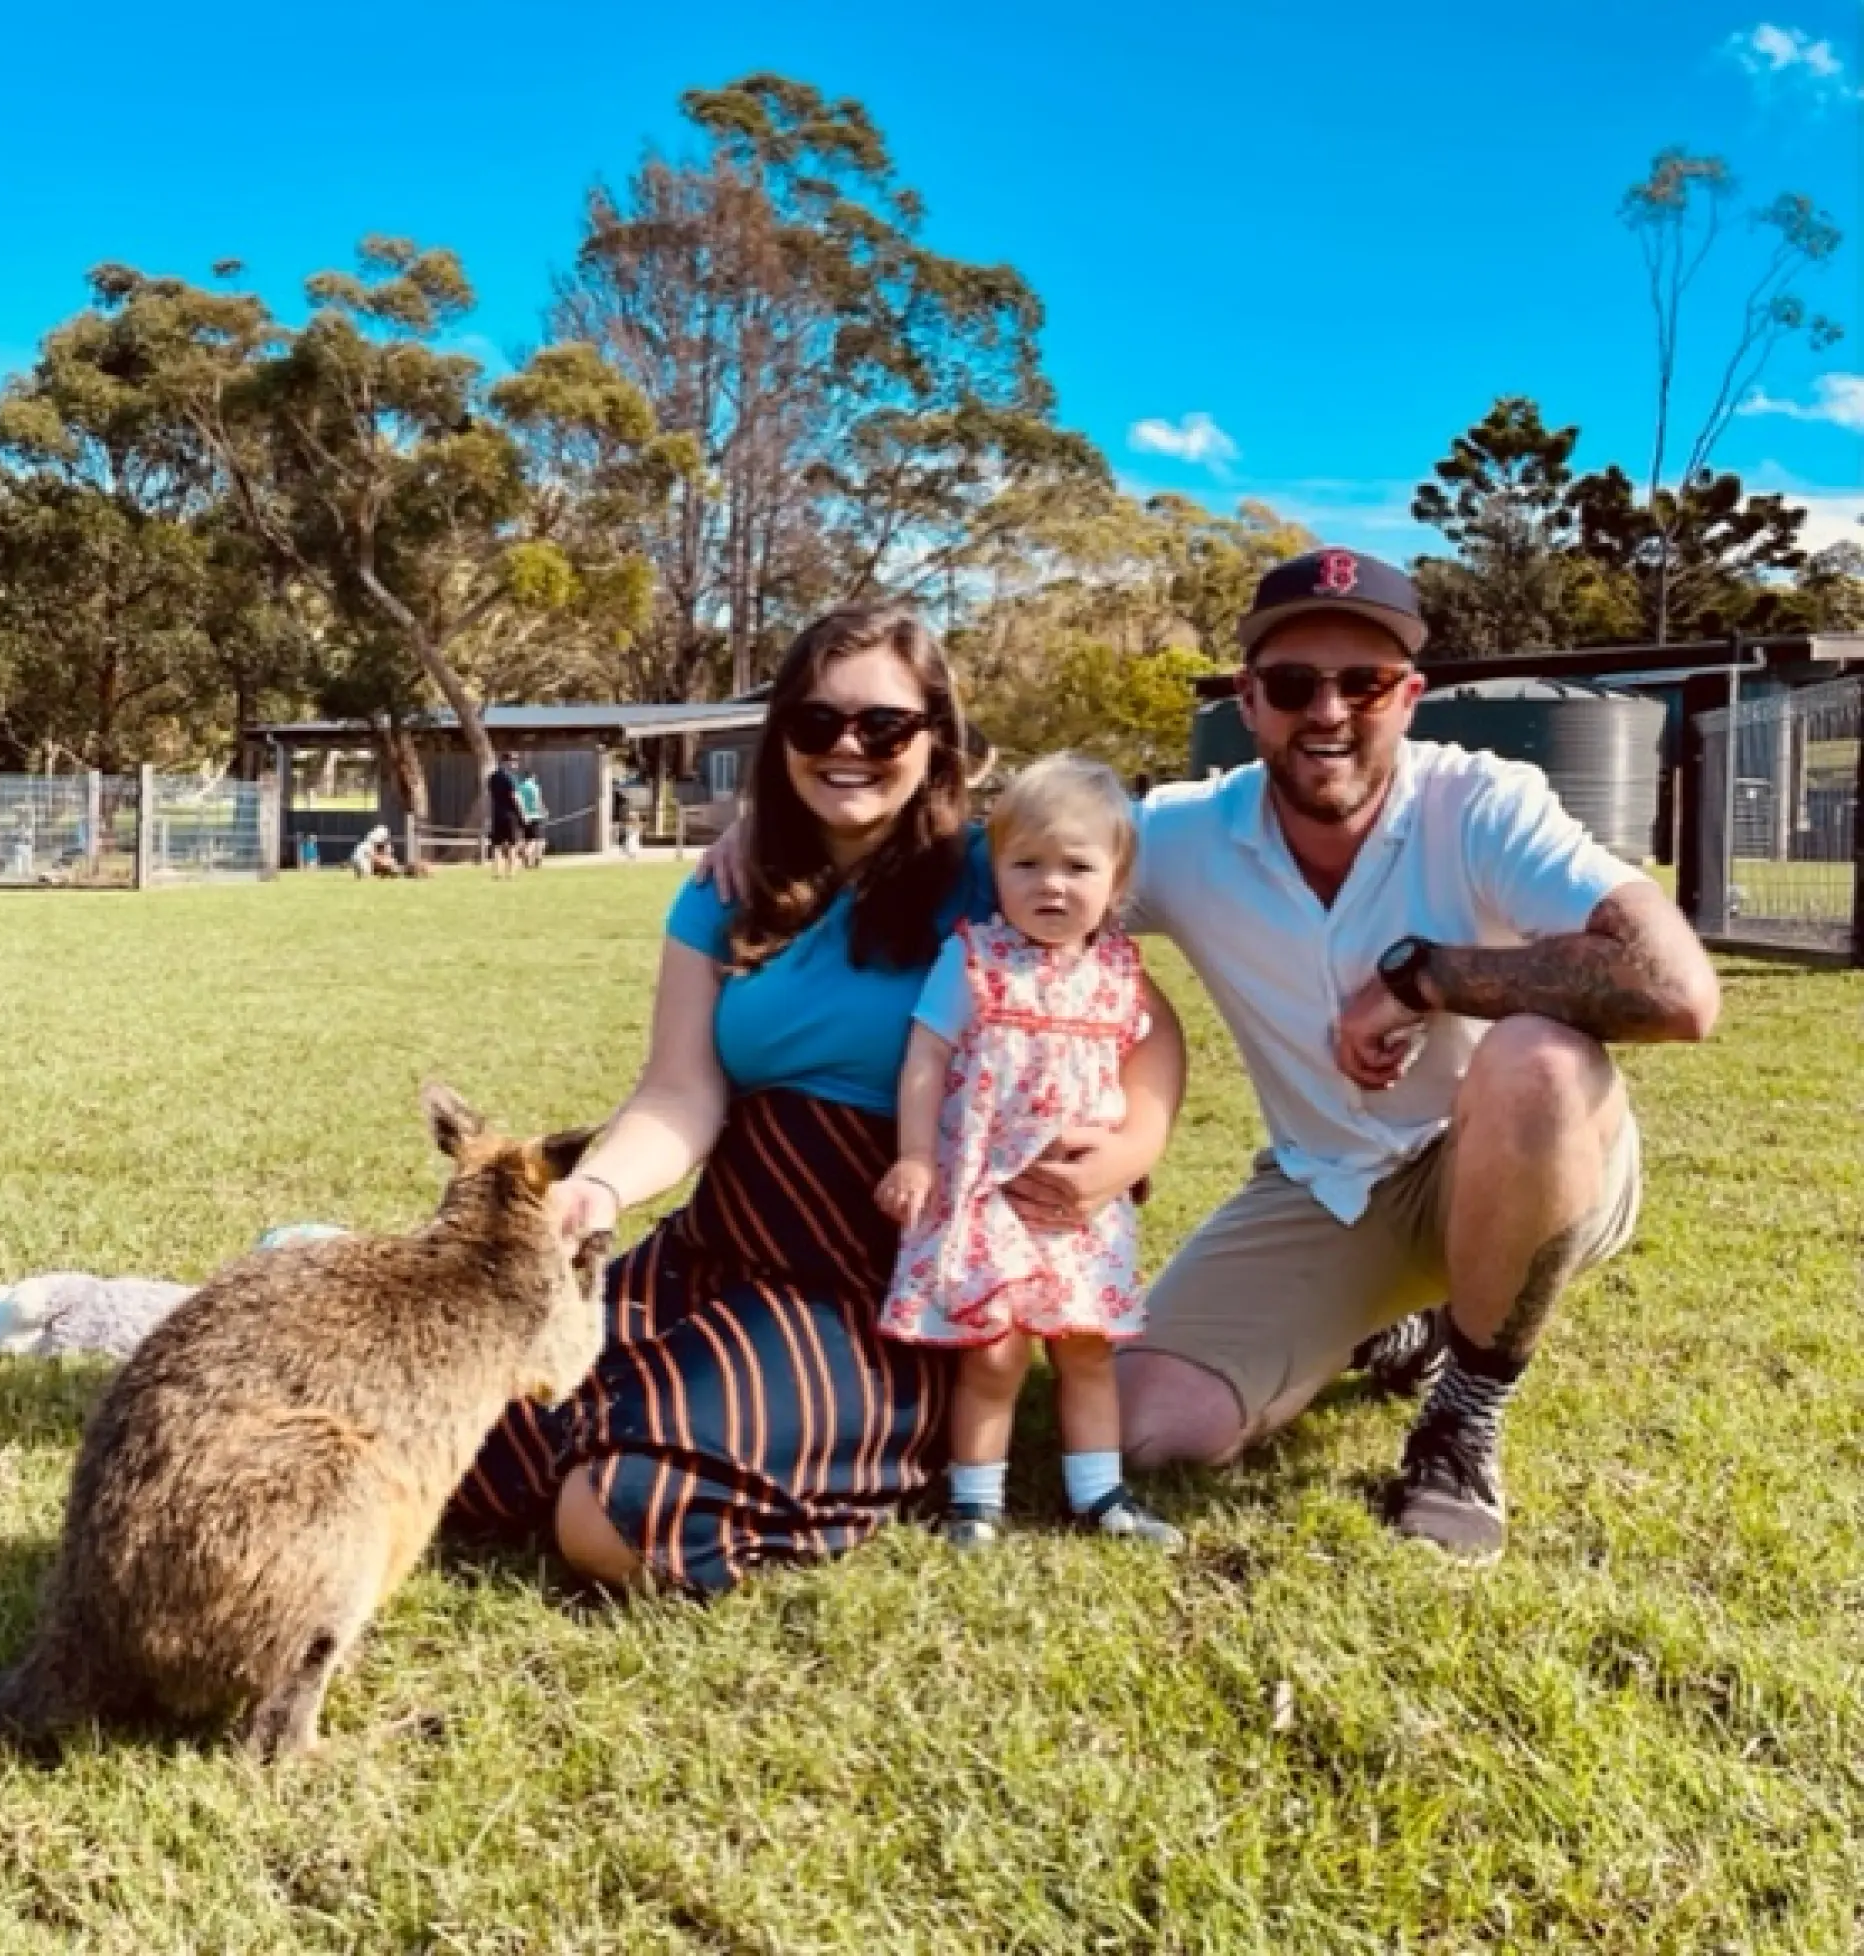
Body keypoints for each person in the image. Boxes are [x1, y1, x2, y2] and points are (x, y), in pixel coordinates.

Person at [445, 602, 1185, 1593]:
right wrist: (604, 1191)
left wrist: (1133, 1145)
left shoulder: (995, 874)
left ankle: (865, 1449)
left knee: (614, 1523)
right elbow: (677, 1089)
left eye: (882, 726)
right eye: (814, 722)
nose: (846, 747)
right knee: (465, 1427)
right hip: (729, 1242)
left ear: (934, 737)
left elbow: (1142, 1017)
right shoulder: (729, 886)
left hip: (892, 1275)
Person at [1115, 547, 1720, 1560]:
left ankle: (1464, 1413)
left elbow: (1675, 990)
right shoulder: (1180, 835)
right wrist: (771, 850)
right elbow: (1001, 880)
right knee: (1148, 1428)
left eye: (1364, 683)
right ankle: (1399, 1323)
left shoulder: (1480, 803)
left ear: (1409, 696)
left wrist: (1423, 977)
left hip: (1519, 1156)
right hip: (1326, 1184)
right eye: (1293, 684)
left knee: (1535, 1057)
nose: (1327, 712)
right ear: (1248, 700)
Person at [876, 755, 1182, 1553]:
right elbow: (925, 1058)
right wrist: (915, 1159)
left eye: (1077, 867)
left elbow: (1143, 1066)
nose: (1051, 886)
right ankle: (975, 1501)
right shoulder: (974, 959)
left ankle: (1099, 1491)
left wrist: (1125, 1148)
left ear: (1116, 883)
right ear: (996, 873)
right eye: (1026, 865)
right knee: (996, 1350)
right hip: (988, 1193)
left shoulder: (1120, 974)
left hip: (1082, 1207)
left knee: (1084, 1348)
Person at [486, 754, 528, 876]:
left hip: (497, 813)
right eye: (513, 761)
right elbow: (515, 797)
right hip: (510, 814)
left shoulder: (493, 777)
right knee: (512, 844)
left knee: (497, 845)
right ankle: (510, 872)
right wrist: (523, 813)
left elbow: (491, 795)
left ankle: (496, 872)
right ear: (506, 761)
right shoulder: (510, 777)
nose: (516, 764)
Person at [516, 765, 549, 868]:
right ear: (532, 776)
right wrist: (544, 811)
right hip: (535, 816)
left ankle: (526, 857)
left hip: (523, 816)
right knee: (539, 840)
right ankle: (536, 859)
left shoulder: (520, 787)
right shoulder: (534, 787)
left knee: (527, 838)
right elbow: (537, 801)